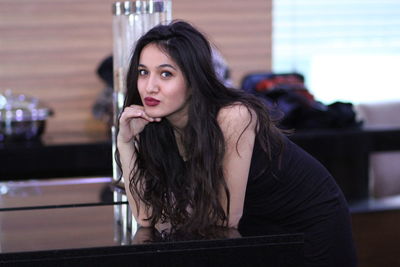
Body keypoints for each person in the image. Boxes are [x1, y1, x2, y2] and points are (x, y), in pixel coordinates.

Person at [116, 20, 357, 266]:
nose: (150, 86)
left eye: (166, 74)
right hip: (253, 228)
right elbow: (146, 218)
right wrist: (125, 142)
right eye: (143, 72)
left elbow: (224, 220)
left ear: (193, 80)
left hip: (308, 227)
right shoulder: (158, 125)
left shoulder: (234, 116)